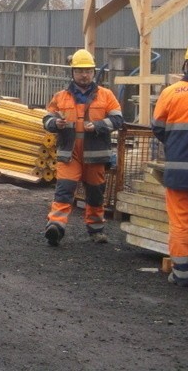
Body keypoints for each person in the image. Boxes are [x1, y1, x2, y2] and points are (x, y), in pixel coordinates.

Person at [42, 49, 124, 246]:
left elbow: (118, 120)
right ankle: (56, 226)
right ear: (73, 72)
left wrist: (97, 126)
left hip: (95, 156)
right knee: (64, 189)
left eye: (88, 71)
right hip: (69, 154)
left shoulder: (106, 95)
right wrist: (55, 123)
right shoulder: (61, 96)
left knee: (96, 193)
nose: (84, 75)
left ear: (93, 72)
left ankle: (96, 229)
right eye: (80, 71)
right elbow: (46, 118)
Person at [151, 40, 188, 286]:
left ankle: (182, 274)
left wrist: (176, 143)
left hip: (178, 172)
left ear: (187, 64)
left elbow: (158, 127)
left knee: (180, 224)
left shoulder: (171, 92)